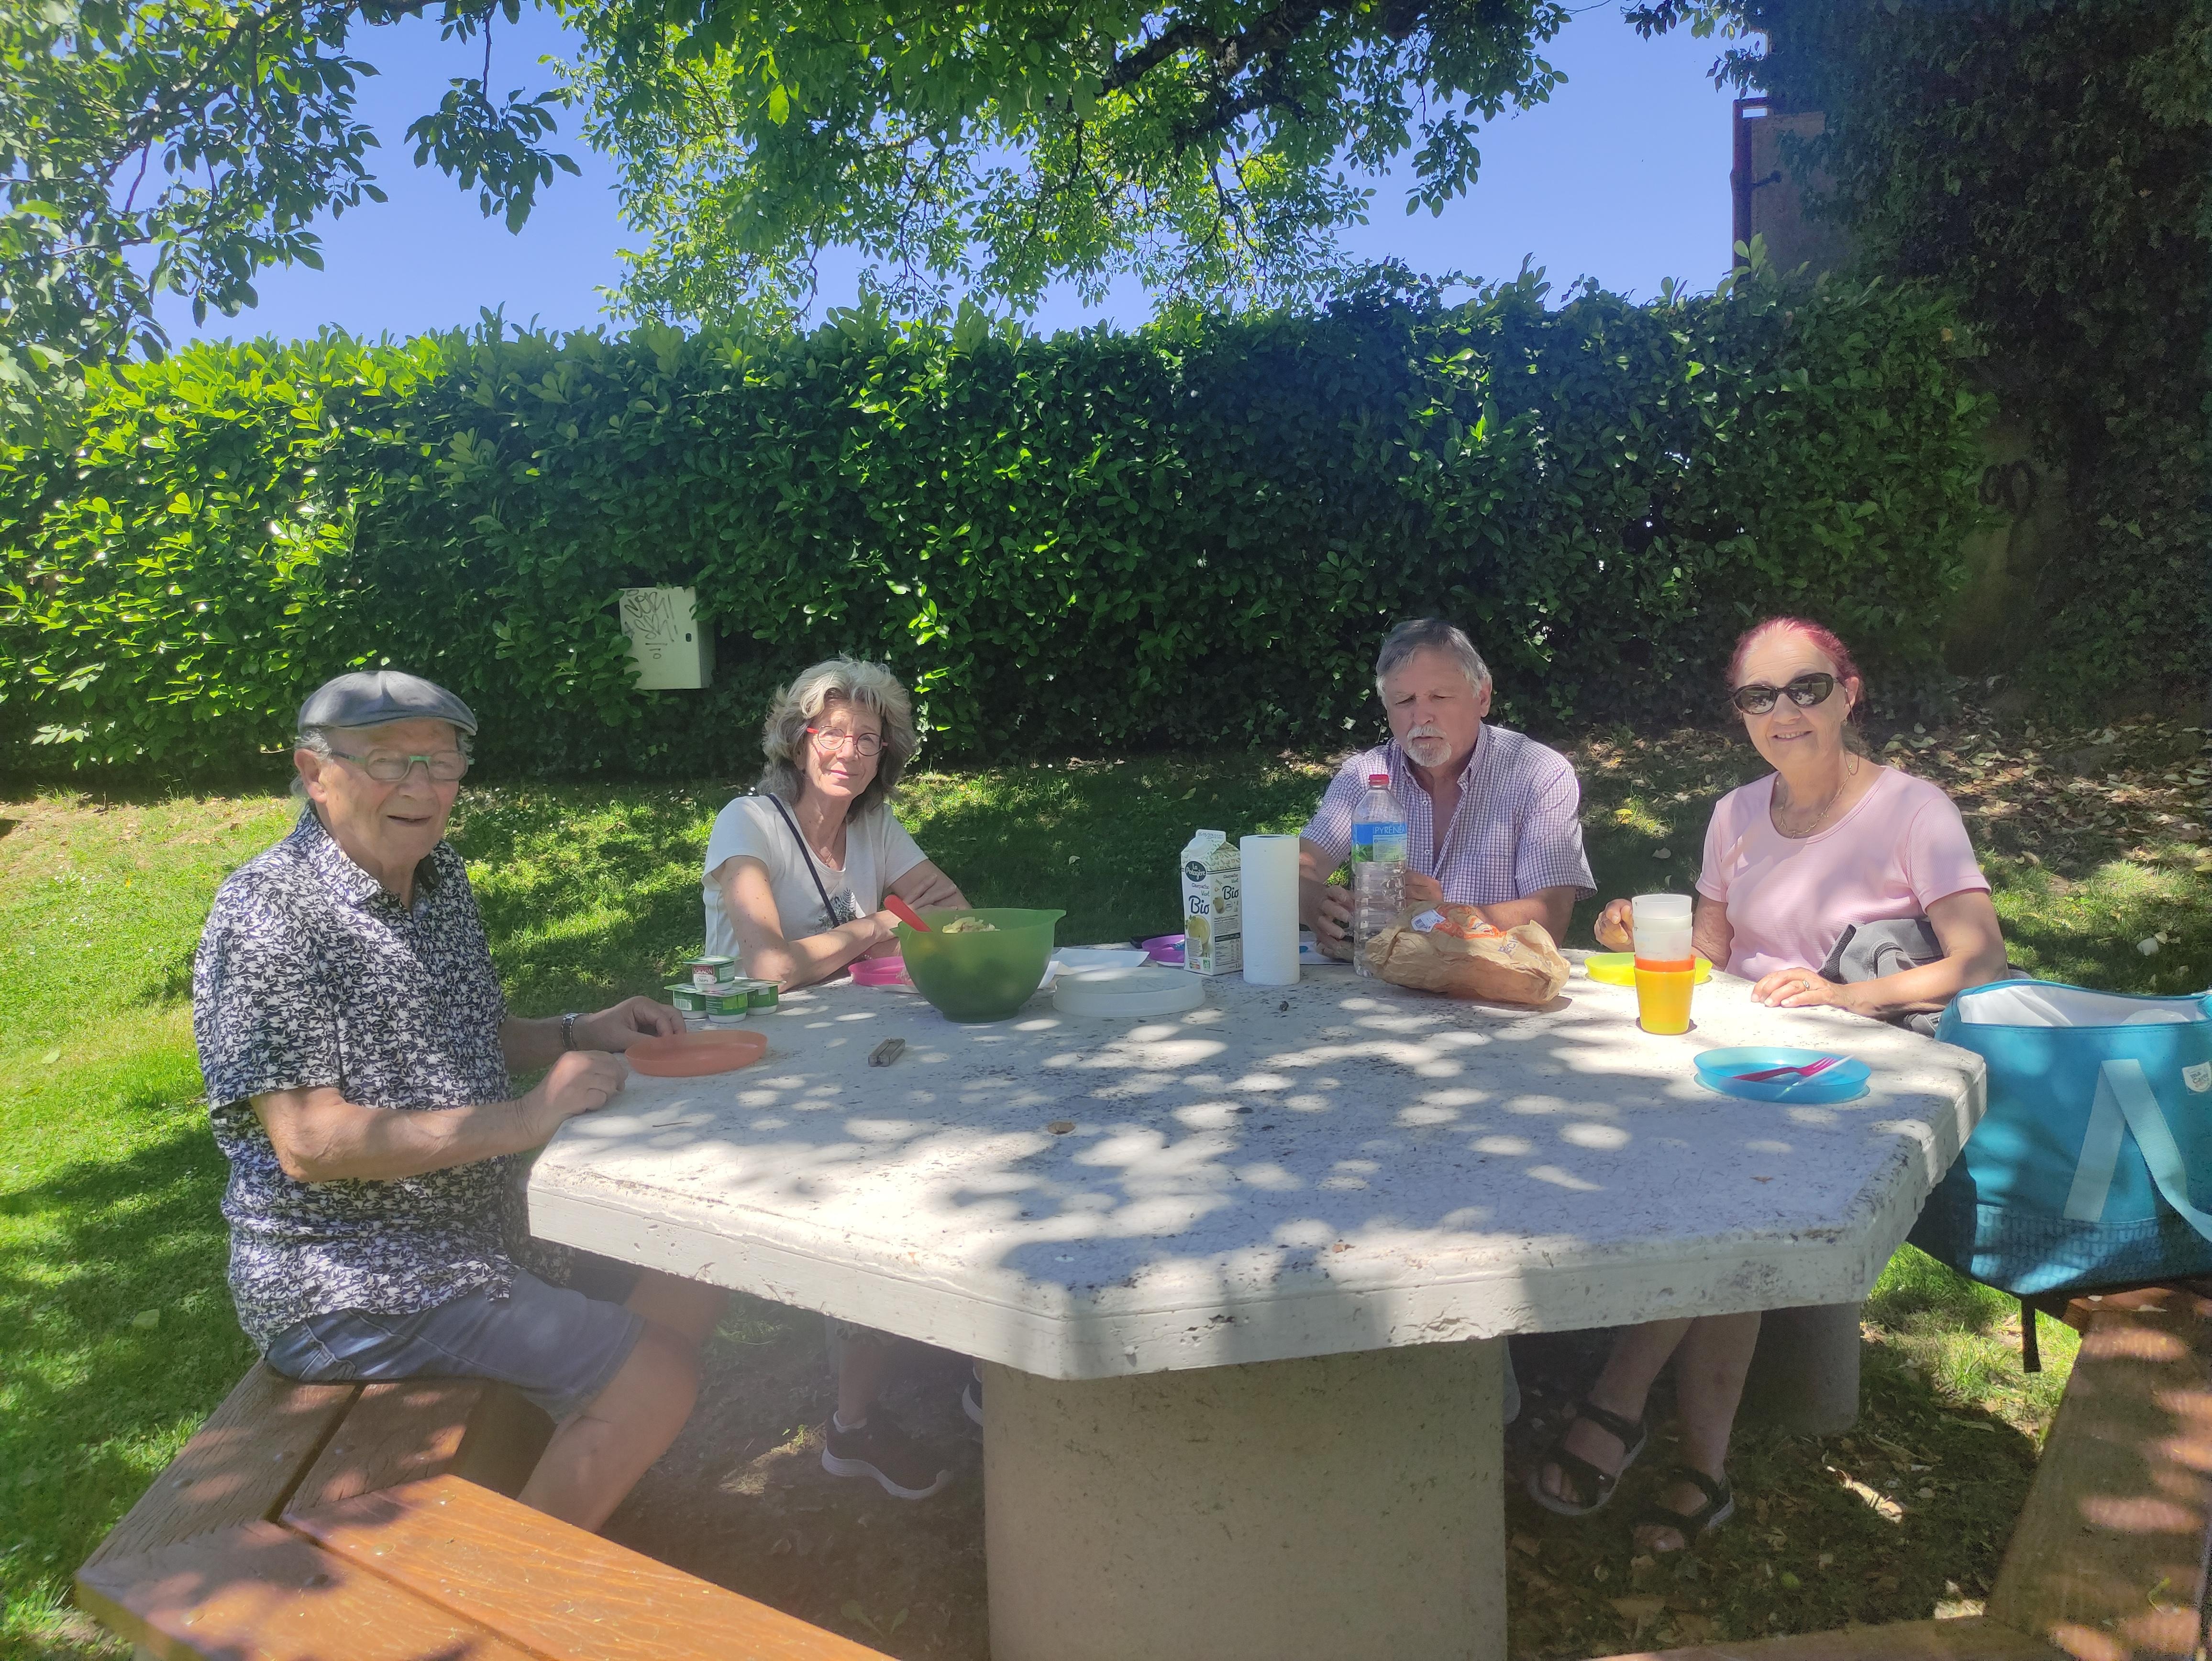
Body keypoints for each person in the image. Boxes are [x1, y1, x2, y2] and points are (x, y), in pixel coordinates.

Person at [192, 670, 724, 1534]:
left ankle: (591, 1464)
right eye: (387, 763)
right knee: (655, 1376)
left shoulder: (437, 877)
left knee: (695, 1264)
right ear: (315, 770)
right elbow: (311, 1141)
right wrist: (523, 1118)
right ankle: (515, 1593)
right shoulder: (267, 918)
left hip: (470, 1233)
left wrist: (579, 1029)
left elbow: (469, 1029)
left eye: (441, 763)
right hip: (349, 1277)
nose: (421, 787)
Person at [1535, 617, 2007, 1551]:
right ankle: (1699, 1466)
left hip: (1854, 1064)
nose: (1782, 711)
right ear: (1740, 711)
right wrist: (1640, 931)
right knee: (1685, 1165)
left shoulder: (1912, 811)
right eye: (1758, 695)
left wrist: (1845, 993)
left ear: (1847, 691)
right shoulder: (1735, 814)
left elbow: (1980, 957)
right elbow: (1713, 951)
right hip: (1740, 1051)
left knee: (1721, 1190)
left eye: (1804, 687)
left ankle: (1619, 1400)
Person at [702, 656, 971, 1499]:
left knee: (960, 1156)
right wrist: (875, 929)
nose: (849, 752)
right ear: (799, 736)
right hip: (749, 1066)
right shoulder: (748, 824)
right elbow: (770, 966)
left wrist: (894, 924)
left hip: (848, 1052)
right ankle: (852, 1427)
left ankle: (977, 1361)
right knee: (873, 1204)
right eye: (832, 732)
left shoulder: (874, 826)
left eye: (867, 736)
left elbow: (952, 912)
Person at [1300, 617, 1595, 953]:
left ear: (1482, 697)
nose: (1422, 716)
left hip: (1490, 989)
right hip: (1382, 983)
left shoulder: (1539, 773)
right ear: (1386, 707)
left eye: (1439, 697)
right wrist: (1314, 904)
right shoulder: (1366, 776)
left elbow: (1550, 917)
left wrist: (1442, 917)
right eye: (1404, 701)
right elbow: (1298, 866)